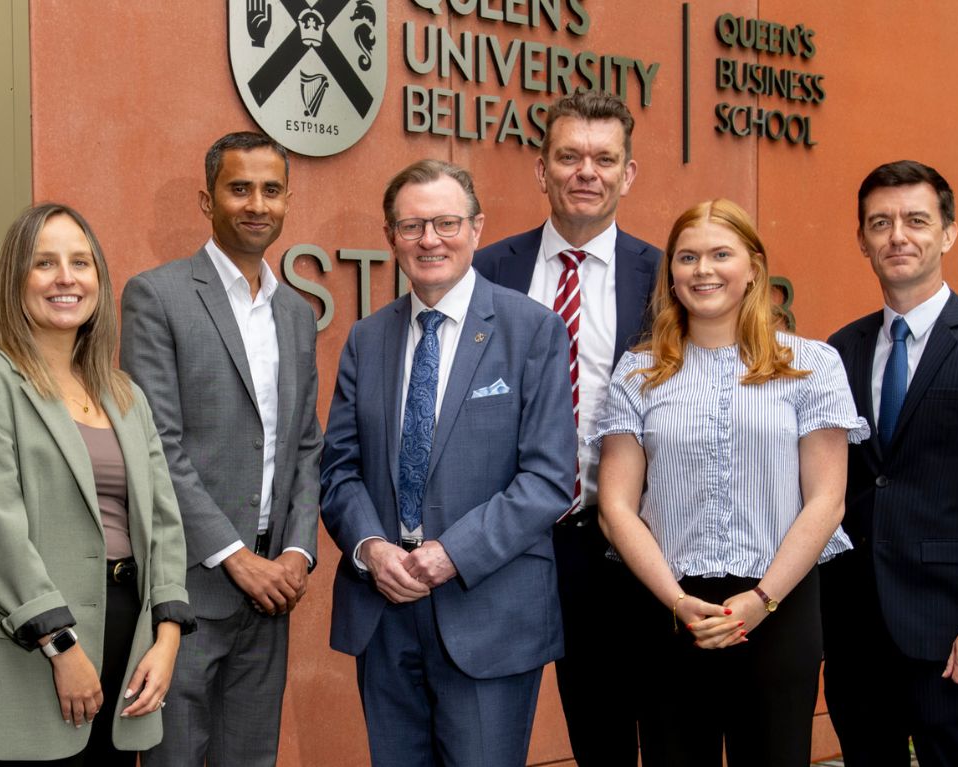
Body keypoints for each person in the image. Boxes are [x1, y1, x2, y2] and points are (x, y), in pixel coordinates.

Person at [320, 159, 577, 766]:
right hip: (384, 610)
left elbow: (548, 479)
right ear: (391, 237)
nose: (429, 239)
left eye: (445, 223)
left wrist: (452, 553)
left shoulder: (532, 330)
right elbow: (339, 469)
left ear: (476, 228)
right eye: (411, 226)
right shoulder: (366, 338)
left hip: (487, 610)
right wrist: (371, 549)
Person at [592, 198, 868, 765]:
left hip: (779, 606)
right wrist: (677, 602)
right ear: (671, 274)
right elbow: (615, 508)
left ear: (753, 269)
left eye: (721, 254)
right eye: (687, 257)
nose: (703, 270)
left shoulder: (812, 365)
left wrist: (762, 601)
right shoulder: (638, 372)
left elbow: (827, 500)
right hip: (669, 610)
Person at [0, 203, 194, 765]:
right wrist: (61, 645)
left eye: (80, 262)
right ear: (16, 279)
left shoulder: (125, 395)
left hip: (129, 651)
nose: (65, 278)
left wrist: (167, 634)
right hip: (28, 654)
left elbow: (164, 522)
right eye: (44, 263)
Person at [821, 161, 958, 766]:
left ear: (948, 233)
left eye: (916, 220)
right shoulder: (839, 350)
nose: (897, 235)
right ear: (862, 240)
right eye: (880, 223)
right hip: (854, 630)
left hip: (950, 631)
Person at [121, 131, 322, 767]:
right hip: (188, 589)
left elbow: (305, 445)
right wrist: (236, 557)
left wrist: (296, 552)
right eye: (240, 188)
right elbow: (157, 445)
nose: (257, 204)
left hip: (273, 593)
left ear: (287, 201)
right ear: (208, 201)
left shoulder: (296, 313)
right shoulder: (157, 296)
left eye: (271, 190)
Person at [473, 89, 661, 766]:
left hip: (617, 542)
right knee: (485, 728)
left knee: (611, 732)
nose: (587, 171)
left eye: (604, 159)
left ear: (627, 174)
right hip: (505, 538)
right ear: (542, 168)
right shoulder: (487, 271)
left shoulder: (665, 277)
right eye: (570, 156)